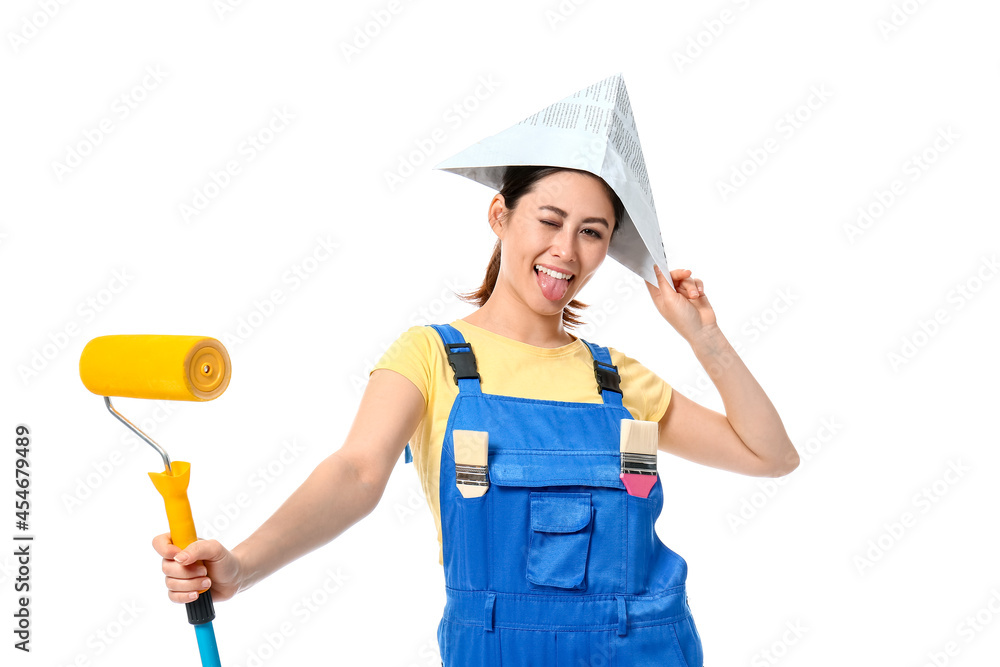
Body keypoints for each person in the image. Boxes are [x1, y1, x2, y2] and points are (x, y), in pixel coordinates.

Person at [156, 75, 800, 665]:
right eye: (549, 220)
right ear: (500, 215)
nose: (565, 251)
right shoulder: (431, 356)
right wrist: (242, 566)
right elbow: (355, 472)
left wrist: (703, 336)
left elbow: (771, 456)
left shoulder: (618, 380)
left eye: (592, 232)